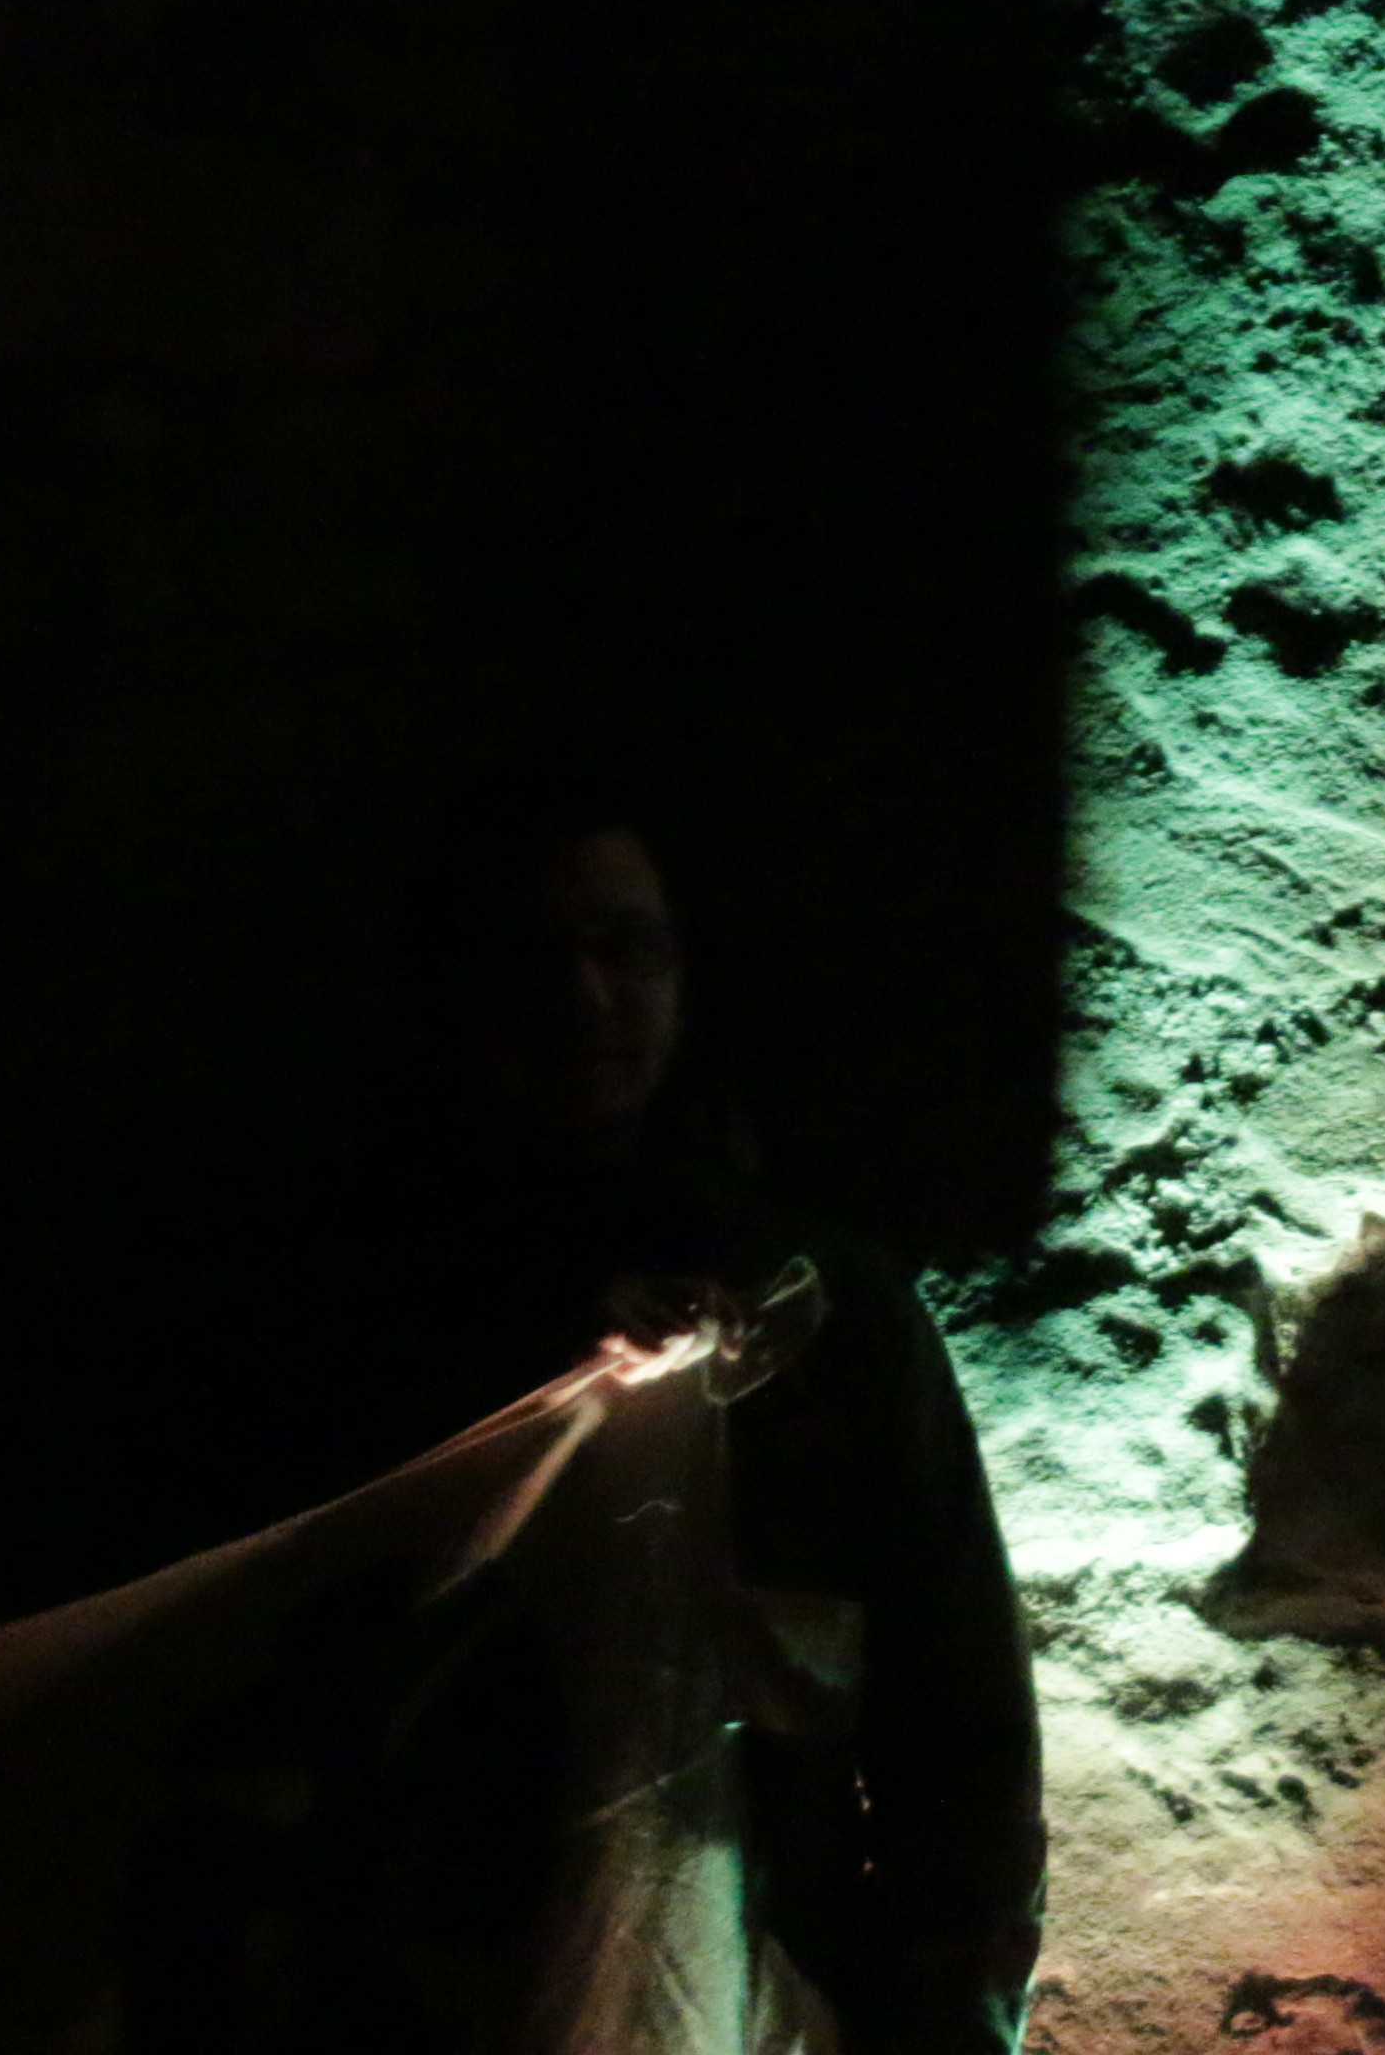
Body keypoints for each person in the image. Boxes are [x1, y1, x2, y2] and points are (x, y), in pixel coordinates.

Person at [225, 784, 1051, 2053]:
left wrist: (938, 2016)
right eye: (532, 958)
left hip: (756, 1990)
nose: (586, 998)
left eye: (628, 948)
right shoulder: (349, 1319)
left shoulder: (824, 1321)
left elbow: (958, 1726)